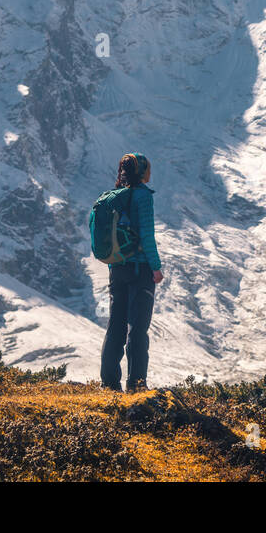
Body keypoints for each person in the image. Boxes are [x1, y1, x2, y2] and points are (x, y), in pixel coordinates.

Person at [100, 152, 163, 392]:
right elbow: (147, 236)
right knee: (137, 328)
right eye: (148, 168)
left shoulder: (114, 197)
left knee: (115, 325)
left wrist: (115, 264)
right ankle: (137, 385)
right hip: (140, 271)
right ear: (142, 172)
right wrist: (155, 268)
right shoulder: (143, 197)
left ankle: (109, 383)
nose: (150, 172)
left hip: (117, 269)